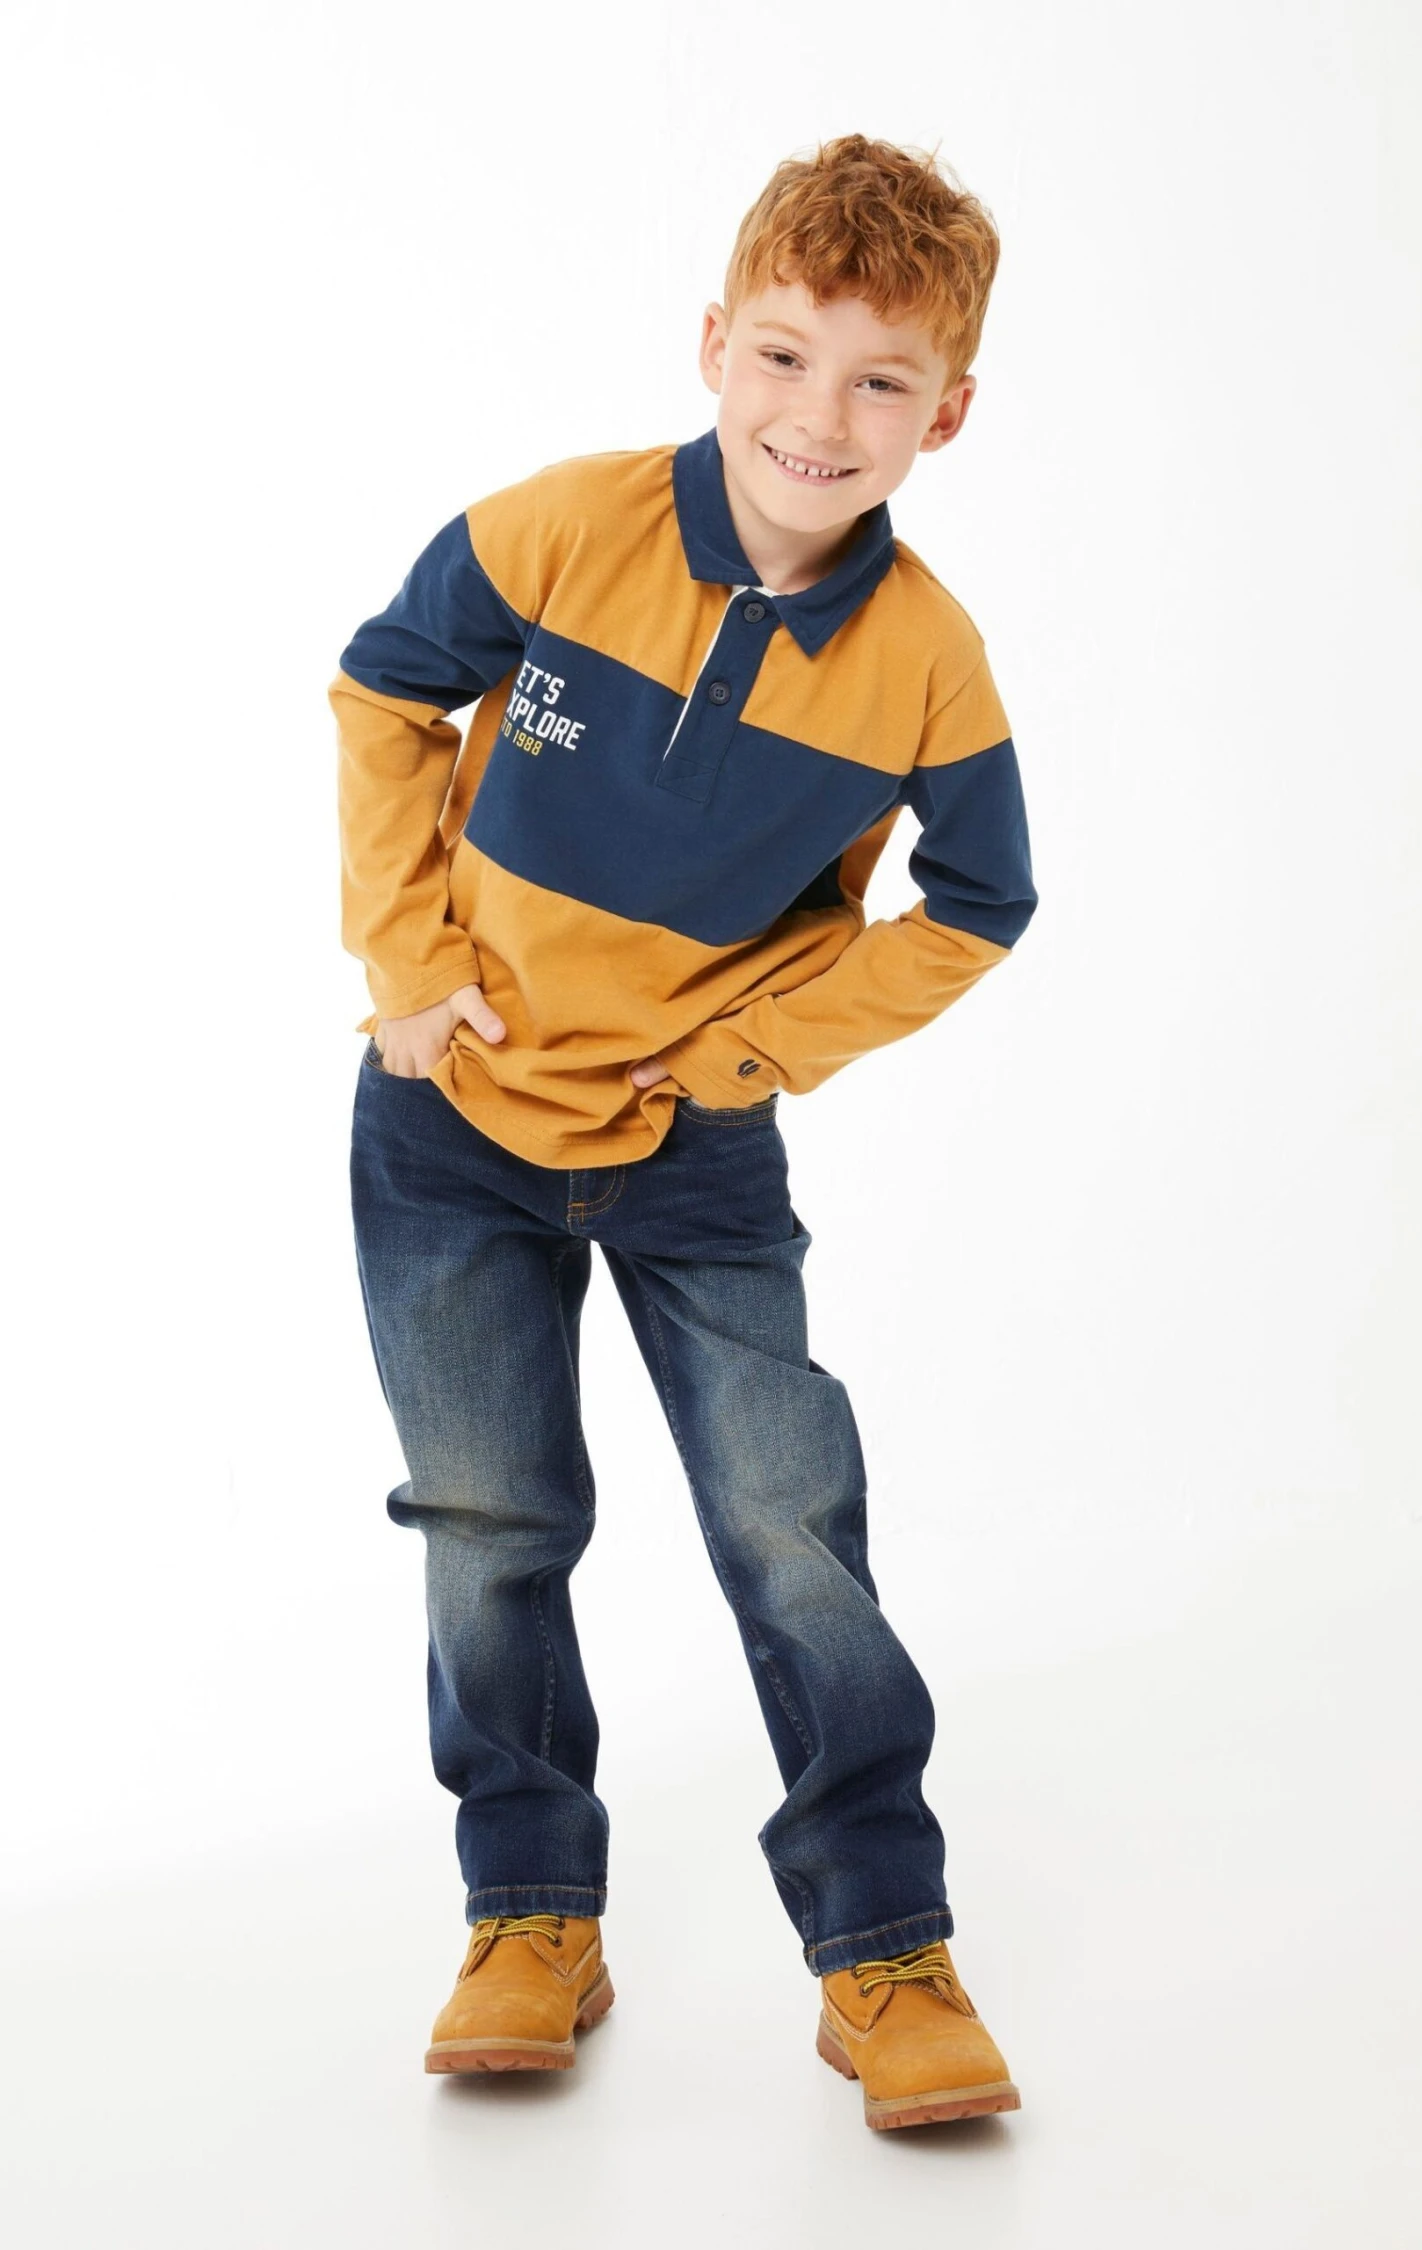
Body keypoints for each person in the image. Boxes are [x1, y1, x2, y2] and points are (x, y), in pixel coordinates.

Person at [330, 131, 1038, 2132]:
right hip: (446, 1122)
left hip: (690, 1151)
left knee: (790, 1531)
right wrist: (404, 960)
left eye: (882, 380)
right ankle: (530, 1915)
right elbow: (383, 691)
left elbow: (981, 902)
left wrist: (751, 1057)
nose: (823, 416)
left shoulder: (926, 661)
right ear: (716, 341)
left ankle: (885, 1946)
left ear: (946, 414)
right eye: (788, 356)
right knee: (490, 1527)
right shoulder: (564, 526)